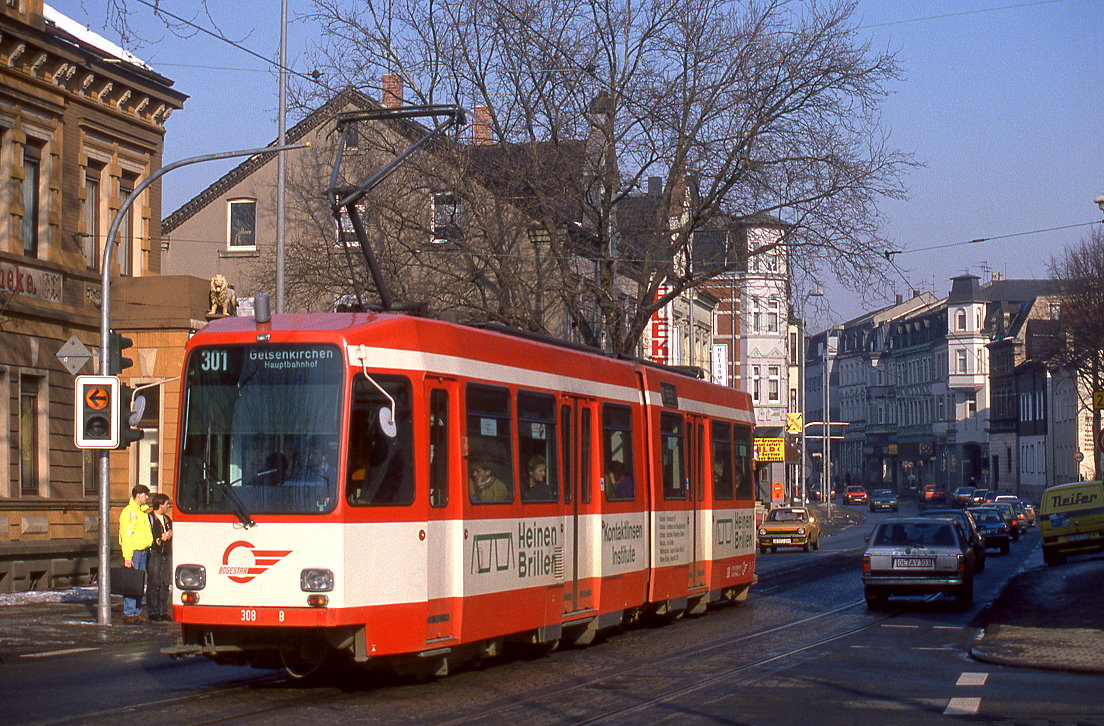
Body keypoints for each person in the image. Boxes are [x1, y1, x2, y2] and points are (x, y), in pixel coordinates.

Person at [118, 484, 152, 624]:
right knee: (132, 582)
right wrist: (127, 557)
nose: (147, 497)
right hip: (135, 551)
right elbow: (127, 535)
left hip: (143, 551)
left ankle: (136, 611)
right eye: (145, 495)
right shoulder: (130, 513)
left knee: (139, 582)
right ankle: (129, 612)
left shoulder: (142, 512)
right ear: (138, 495)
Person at [146, 493, 173, 622]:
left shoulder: (167, 519)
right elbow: (147, 537)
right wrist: (159, 539)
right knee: (154, 583)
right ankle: (153, 611)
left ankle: (163, 611)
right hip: (155, 554)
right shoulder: (149, 518)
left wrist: (170, 535)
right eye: (167, 504)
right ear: (160, 505)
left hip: (166, 553)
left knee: (165, 583)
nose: (168, 506)